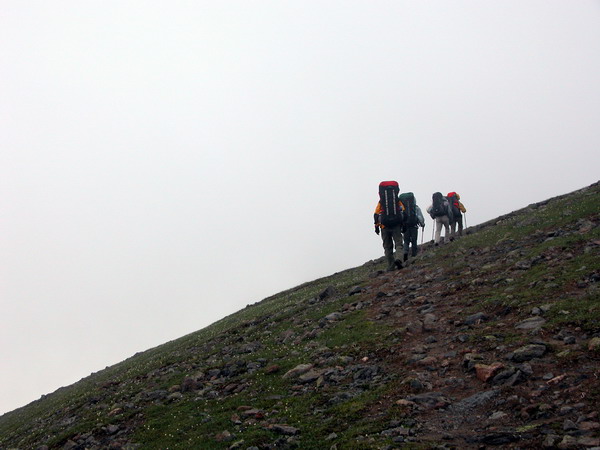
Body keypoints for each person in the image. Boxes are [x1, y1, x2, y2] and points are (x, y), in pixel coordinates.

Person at [374, 181, 405, 271]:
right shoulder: (397, 201)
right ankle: (399, 259)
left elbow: (376, 214)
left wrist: (376, 226)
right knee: (399, 243)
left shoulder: (381, 202)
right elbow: (403, 212)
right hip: (396, 225)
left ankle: (391, 266)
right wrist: (403, 224)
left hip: (384, 226)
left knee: (387, 247)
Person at [399, 192, 425, 262]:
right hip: (414, 226)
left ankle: (405, 253)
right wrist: (422, 224)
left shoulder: (402, 208)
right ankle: (414, 255)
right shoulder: (415, 207)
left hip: (405, 226)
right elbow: (420, 217)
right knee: (414, 241)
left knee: (406, 241)